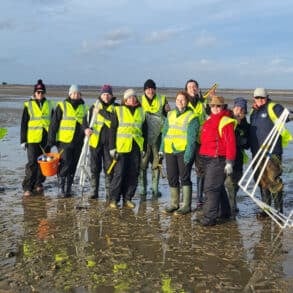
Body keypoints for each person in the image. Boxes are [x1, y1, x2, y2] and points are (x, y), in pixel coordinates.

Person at [249, 88, 293, 216]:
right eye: (257, 98)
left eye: (262, 97)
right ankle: (266, 210)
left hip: (272, 152)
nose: (260, 100)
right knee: (262, 181)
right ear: (254, 98)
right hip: (257, 153)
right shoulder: (253, 112)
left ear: (267, 97)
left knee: (273, 181)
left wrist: (289, 114)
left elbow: (286, 116)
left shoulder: (273, 107)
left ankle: (279, 212)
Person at [198, 96, 237, 226]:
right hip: (206, 158)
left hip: (218, 159)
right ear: (210, 106)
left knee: (210, 188)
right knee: (218, 187)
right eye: (213, 105)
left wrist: (229, 162)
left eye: (218, 106)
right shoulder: (208, 121)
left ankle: (209, 218)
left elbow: (230, 143)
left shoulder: (226, 121)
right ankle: (225, 212)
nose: (215, 108)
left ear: (223, 107)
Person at [161, 91, 199, 215]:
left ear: (187, 101)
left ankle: (186, 205)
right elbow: (165, 133)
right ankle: (174, 203)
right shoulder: (170, 114)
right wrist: (161, 149)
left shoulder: (192, 116)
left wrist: (189, 154)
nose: (180, 102)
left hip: (183, 151)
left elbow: (192, 139)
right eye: (178, 100)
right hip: (169, 150)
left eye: (182, 100)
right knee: (172, 176)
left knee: (184, 177)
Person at [108, 89, 147, 209]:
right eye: (129, 97)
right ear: (125, 100)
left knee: (133, 174)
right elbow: (112, 130)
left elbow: (145, 131)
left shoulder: (142, 112)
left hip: (136, 147)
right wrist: (112, 148)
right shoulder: (118, 110)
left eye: (134, 97)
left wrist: (144, 147)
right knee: (119, 174)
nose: (132, 99)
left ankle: (127, 198)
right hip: (122, 147)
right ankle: (114, 199)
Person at [48, 85, 87, 197]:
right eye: (74, 93)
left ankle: (69, 188)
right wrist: (51, 140)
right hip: (64, 141)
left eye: (78, 93)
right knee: (65, 164)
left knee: (73, 165)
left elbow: (86, 123)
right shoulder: (62, 106)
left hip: (78, 141)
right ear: (69, 94)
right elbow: (54, 124)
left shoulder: (83, 107)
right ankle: (61, 188)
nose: (76, 95)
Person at [83, 85, 118, 199]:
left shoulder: (116, 108)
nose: (106, 97)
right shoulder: (93, 107)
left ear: (111, 95)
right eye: (104, 94)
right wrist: (86, 129)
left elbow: (113, 119)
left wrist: (101, 112)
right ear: (101, 95)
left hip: (109, 144)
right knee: (94, 168)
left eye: (108, 94)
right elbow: (85, 120)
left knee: (109, 169)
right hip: (95, 142)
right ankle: (94, 191)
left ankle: (109, 193)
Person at [138, 79, 170, 200]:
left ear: (155, 89)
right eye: (147, 88)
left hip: (158, 137)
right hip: (144, 138)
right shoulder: (139, 100)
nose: (150, 91)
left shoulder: (162, 99)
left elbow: (168, 116)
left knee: (157, 164)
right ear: (144, 90)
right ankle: (142, 190)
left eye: (152, 88)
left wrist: (168, 110)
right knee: (142, 165)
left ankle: (155, 190)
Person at [20, 79, 54, 196]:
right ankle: (28, 186)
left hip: (46, 138)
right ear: (34, 93)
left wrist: (53, 138)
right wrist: (23, 140)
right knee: (32, 163)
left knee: (43, 162)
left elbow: (54, 123)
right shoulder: (28, 105)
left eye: (42, 92)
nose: (40, 94)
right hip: (32, 138)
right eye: (38, 92)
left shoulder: (49, 105)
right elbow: (24, 124)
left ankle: (38, 183)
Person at [224, 97, 250, 217]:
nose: (239, 111)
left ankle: (231, 203)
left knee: (237, 182)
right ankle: (231, 207)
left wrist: (241, 140)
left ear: (245, 112)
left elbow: (247, 144)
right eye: (237, 108)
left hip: (238, 158)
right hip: (226, 158)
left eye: (242, 109)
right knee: (229, 183)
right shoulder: (228, 121)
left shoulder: (246, 126)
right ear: (233, 109)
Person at [184, 79, 207, 210]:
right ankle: (185, 200)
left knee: (200, 171)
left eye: (194, 86)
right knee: (185, 169)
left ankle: (199, 199)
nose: (192, 88)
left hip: (200, 141)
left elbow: (210, 115)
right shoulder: (183, 102)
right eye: (189, 86)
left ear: (197, 89)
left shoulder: (202, 103)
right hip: (187, 142)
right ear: (186, 89)